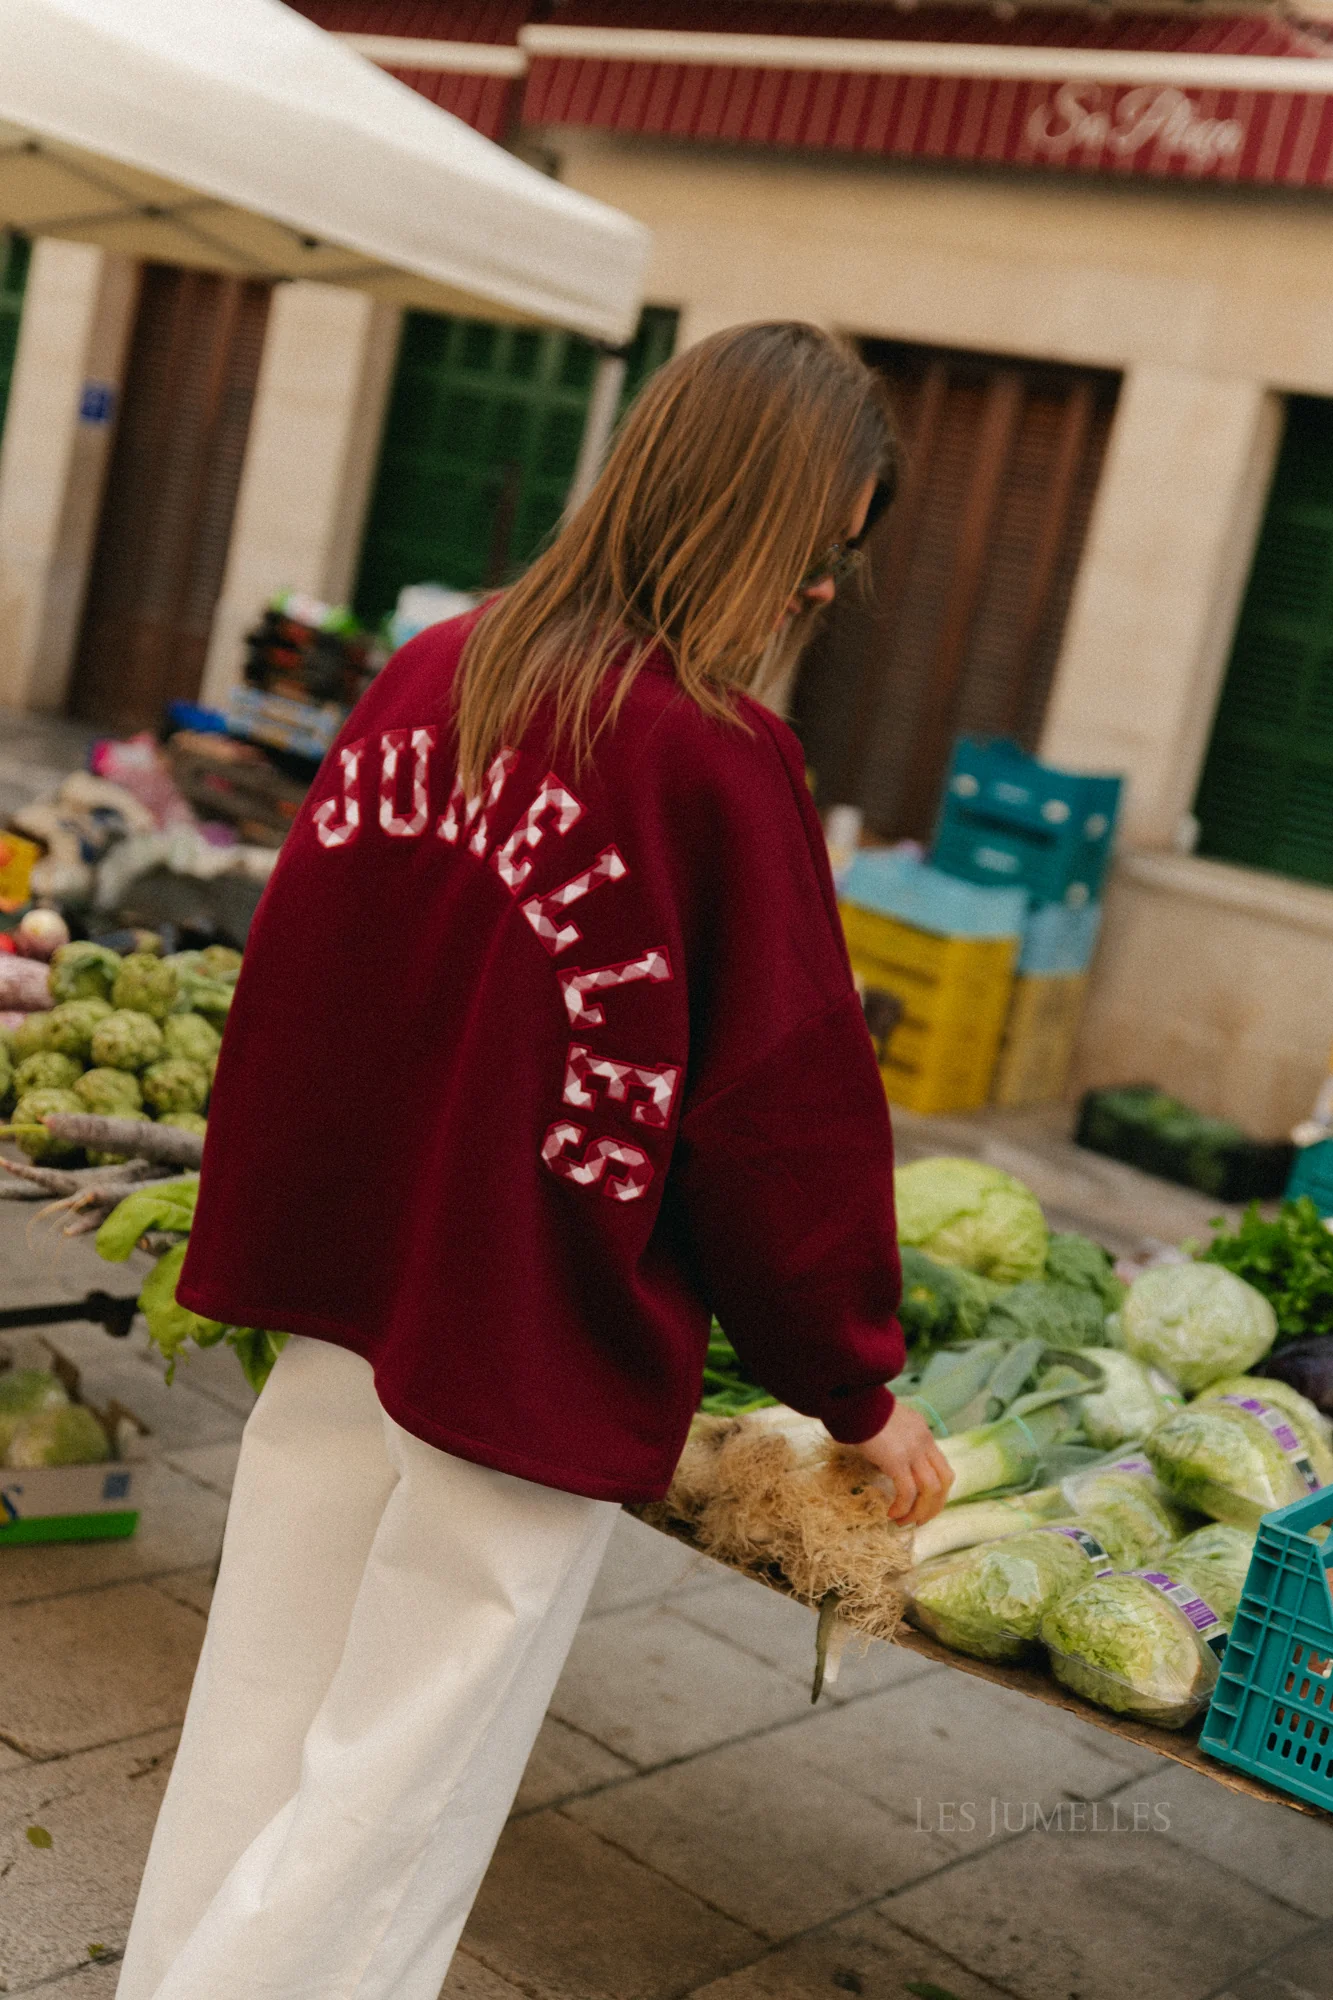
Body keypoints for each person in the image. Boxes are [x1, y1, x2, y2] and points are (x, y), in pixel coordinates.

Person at [116, 320, 955, 2000]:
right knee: (390, 1805)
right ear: (760, 529)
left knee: (260, 1724)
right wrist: (860, 1394)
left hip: (341, 1301)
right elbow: (779, 1124)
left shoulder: (447, 668)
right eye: (821, 559)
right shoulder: (714, 756)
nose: (815, 601)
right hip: (521, 1328)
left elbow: (295, 977)